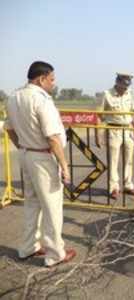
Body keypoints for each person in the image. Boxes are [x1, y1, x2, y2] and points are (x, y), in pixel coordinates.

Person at [4, 61, 76, 267]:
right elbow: (53, 137)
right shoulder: (41, 100)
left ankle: (28, 247)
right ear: (41, 78)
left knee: (32, 203)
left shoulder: (14, 97)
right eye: (51, 79)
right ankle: (55, 253)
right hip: (43, 158)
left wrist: (24, 147)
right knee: (52, 205)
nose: (53, 84)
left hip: (27, 155)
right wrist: (64, 165)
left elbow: (8, 129)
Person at [96, 73, 134, 200]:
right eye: (123, 86)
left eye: (127, 86)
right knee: (113, 160)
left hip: (128, 129)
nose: (125, 89)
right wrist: (98, 135)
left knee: (129, 159)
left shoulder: (130, 94)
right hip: (113, 129)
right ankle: (114, 188)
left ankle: (128, 185)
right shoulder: (106, 94)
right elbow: (98, 115)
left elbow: (132, 113)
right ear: (117, 82)